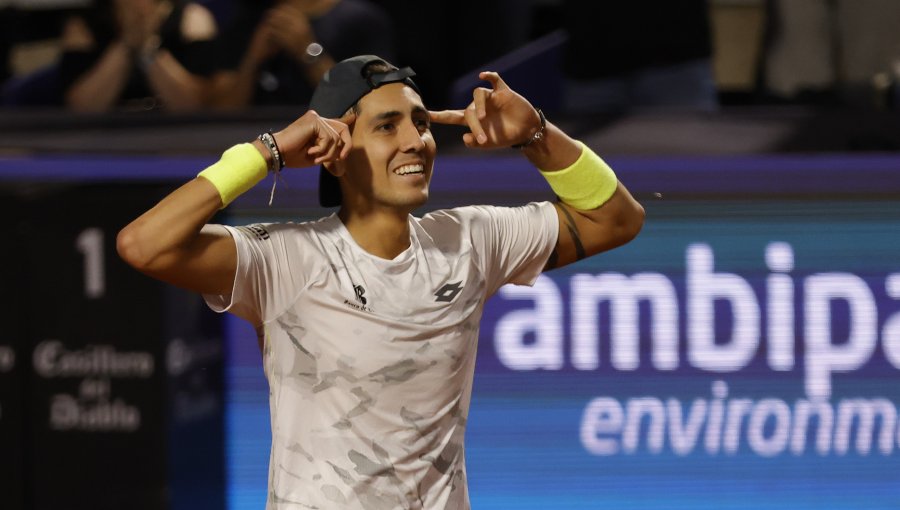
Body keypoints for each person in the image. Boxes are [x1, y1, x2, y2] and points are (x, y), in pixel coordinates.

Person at [117, 55, 644, 508]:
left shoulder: (471, 240)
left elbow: (618, 219)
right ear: (336, 147)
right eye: (388, 126)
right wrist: (266, 152)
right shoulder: (287, 258)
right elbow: (143, 244)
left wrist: (537, 136)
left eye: (421, 122)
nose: (417, 141)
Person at [210, 0, 395, 108]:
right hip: (259, 144)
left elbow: (377, 103)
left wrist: (308, 51)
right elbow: (222, 112)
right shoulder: (251, 20)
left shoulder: (362, 19)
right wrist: (253, 60)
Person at [59, 0, 218, 112]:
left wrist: (148, 48)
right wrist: (127, 44)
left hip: (178, 137)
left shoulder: (192, 19)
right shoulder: (83, 25)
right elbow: (82, 107)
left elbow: (194, 107)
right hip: (104, 137)